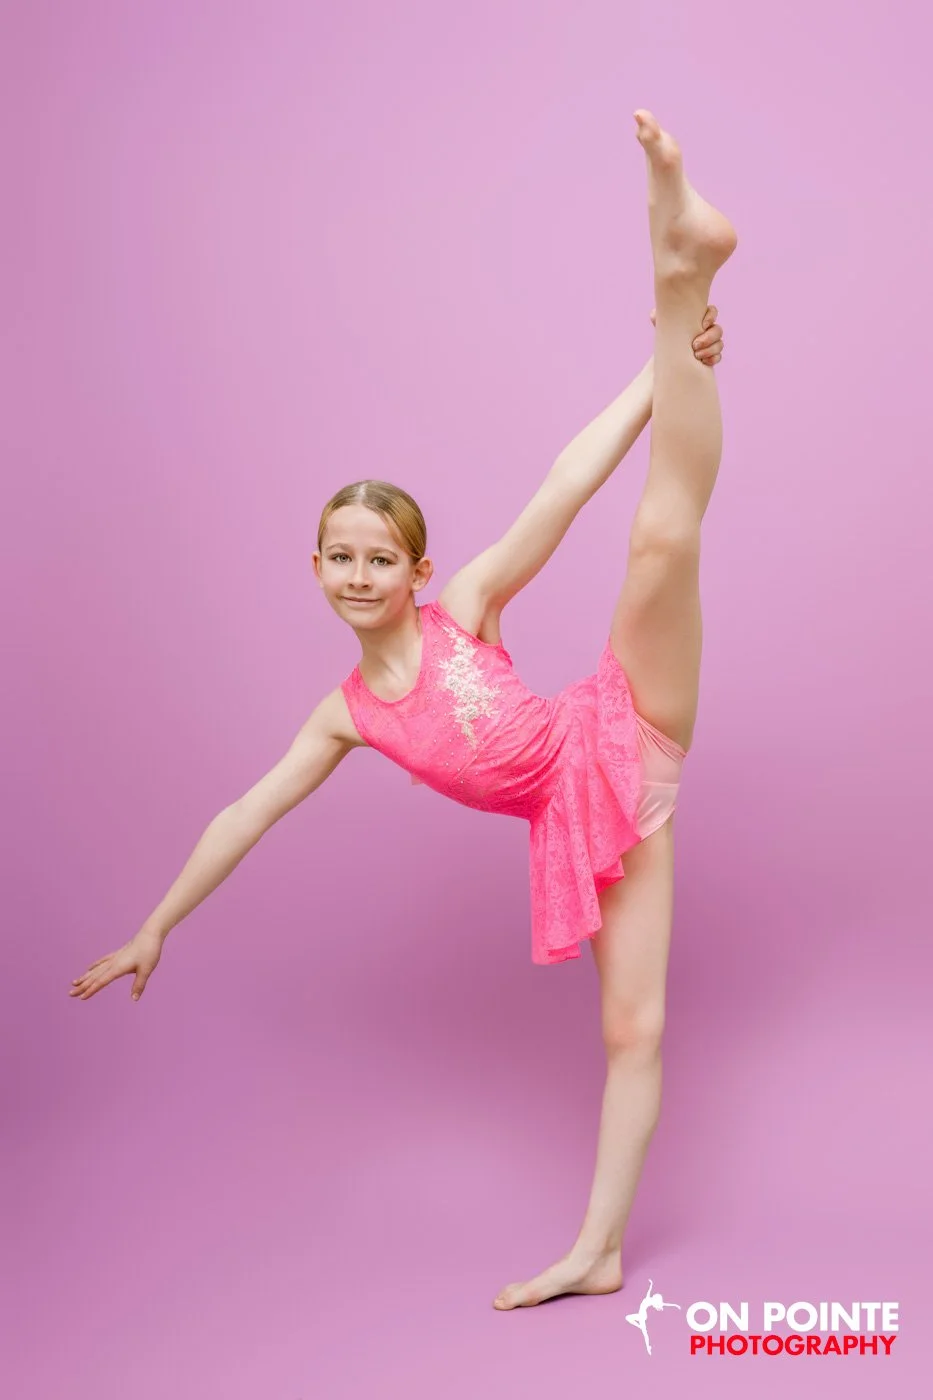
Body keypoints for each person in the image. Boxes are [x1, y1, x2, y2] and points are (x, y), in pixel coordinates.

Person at [69, 110, 737, 1312]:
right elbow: (244, 813)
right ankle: (601, 1249)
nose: (361, 573)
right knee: (632, 1028)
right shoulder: (344, 716)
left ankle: (676, 253)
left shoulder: (465, 608)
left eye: (382, 556)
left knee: (656, 538)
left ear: (419, 574)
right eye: (342, 556)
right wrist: (158, 923)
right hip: (582, 827)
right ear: (318, 568)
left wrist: (662, 367)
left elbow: (563, 485)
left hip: (614, 723)